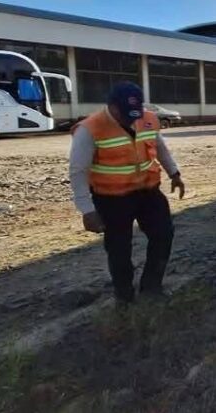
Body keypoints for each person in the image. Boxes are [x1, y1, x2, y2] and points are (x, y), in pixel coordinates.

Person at [69, 82, 186, 303]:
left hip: (148, 192)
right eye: (125, 114)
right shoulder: (90, 129)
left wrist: (174, 173)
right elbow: (78, 171)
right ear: (112, 107)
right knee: (119, 249)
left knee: (163, 234)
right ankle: (124, 297)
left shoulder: (148, 119)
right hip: (112, 198)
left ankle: (152, 287)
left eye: (135, 113)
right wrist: (87, 210)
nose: (131, 119)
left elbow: (160, 148)